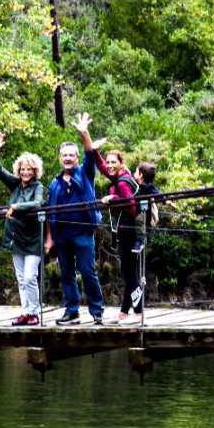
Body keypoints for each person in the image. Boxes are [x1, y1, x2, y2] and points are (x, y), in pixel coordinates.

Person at [45, 114, 104, 326]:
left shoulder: (85, 173)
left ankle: (97, 311)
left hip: (83, 233)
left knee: (88, 272)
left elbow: (90, 152)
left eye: (71, 155)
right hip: (62, 236)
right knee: (67, 274)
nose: (67, 158)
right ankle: (72, 311)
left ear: (76, 157)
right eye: (64, 155)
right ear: (60, 158)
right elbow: (50, 212)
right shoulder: (55, 183)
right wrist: (50, 239)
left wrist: (83, 132)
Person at [82, 128, 140, 324]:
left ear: (122, 163)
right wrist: (95, 152)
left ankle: (138, 310)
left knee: (129, 273)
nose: (109, 166)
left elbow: (131, 207)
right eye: (109, 162)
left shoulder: (122, 183)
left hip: (128, 230)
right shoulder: (120, 176)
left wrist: (112, 198)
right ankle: (125, 310)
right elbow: (103, 169)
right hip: (125, 229)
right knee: (128, 271)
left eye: (114, 162)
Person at [0, 133, 46, 326]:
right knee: (22, 279)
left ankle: (34, 312)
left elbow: (37, 203)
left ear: (35, 171)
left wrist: (15, 207)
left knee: (31, 277)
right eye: (22, 169)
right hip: (16, 239)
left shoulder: (38, 186)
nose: (25, 172)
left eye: (29, 169)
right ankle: (26, 312)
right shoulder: (15, 185)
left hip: (33, 240)